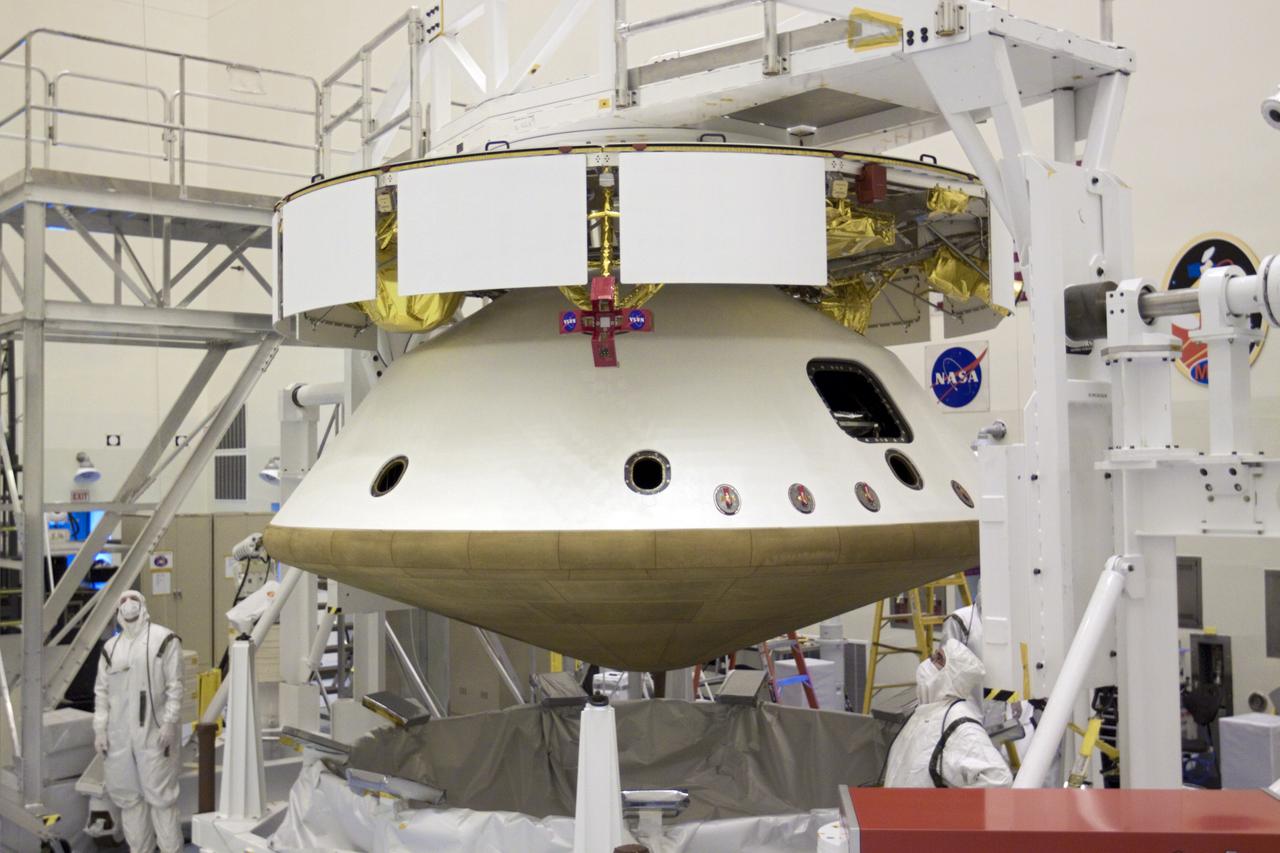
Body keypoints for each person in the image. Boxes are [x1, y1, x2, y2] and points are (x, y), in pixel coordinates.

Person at [93, 590, 185, 852]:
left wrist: (169, 722)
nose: (128, 603)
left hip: (155, 736)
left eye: (133, 598)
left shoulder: (164, 640)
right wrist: (100, 730)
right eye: (122, 600)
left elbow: (175, 686)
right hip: (119, 740)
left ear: (143, 605)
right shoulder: (111, 649)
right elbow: (101, 692)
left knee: (161, 802)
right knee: (130, 803)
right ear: (117, 610)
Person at [882, 637, 1013, 788]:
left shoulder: (960, 724)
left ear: (952, 676)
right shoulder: (925, 711)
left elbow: (1000, 780)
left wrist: (947, 809)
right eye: (934, 655)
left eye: (938, 659)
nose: (929, 660)